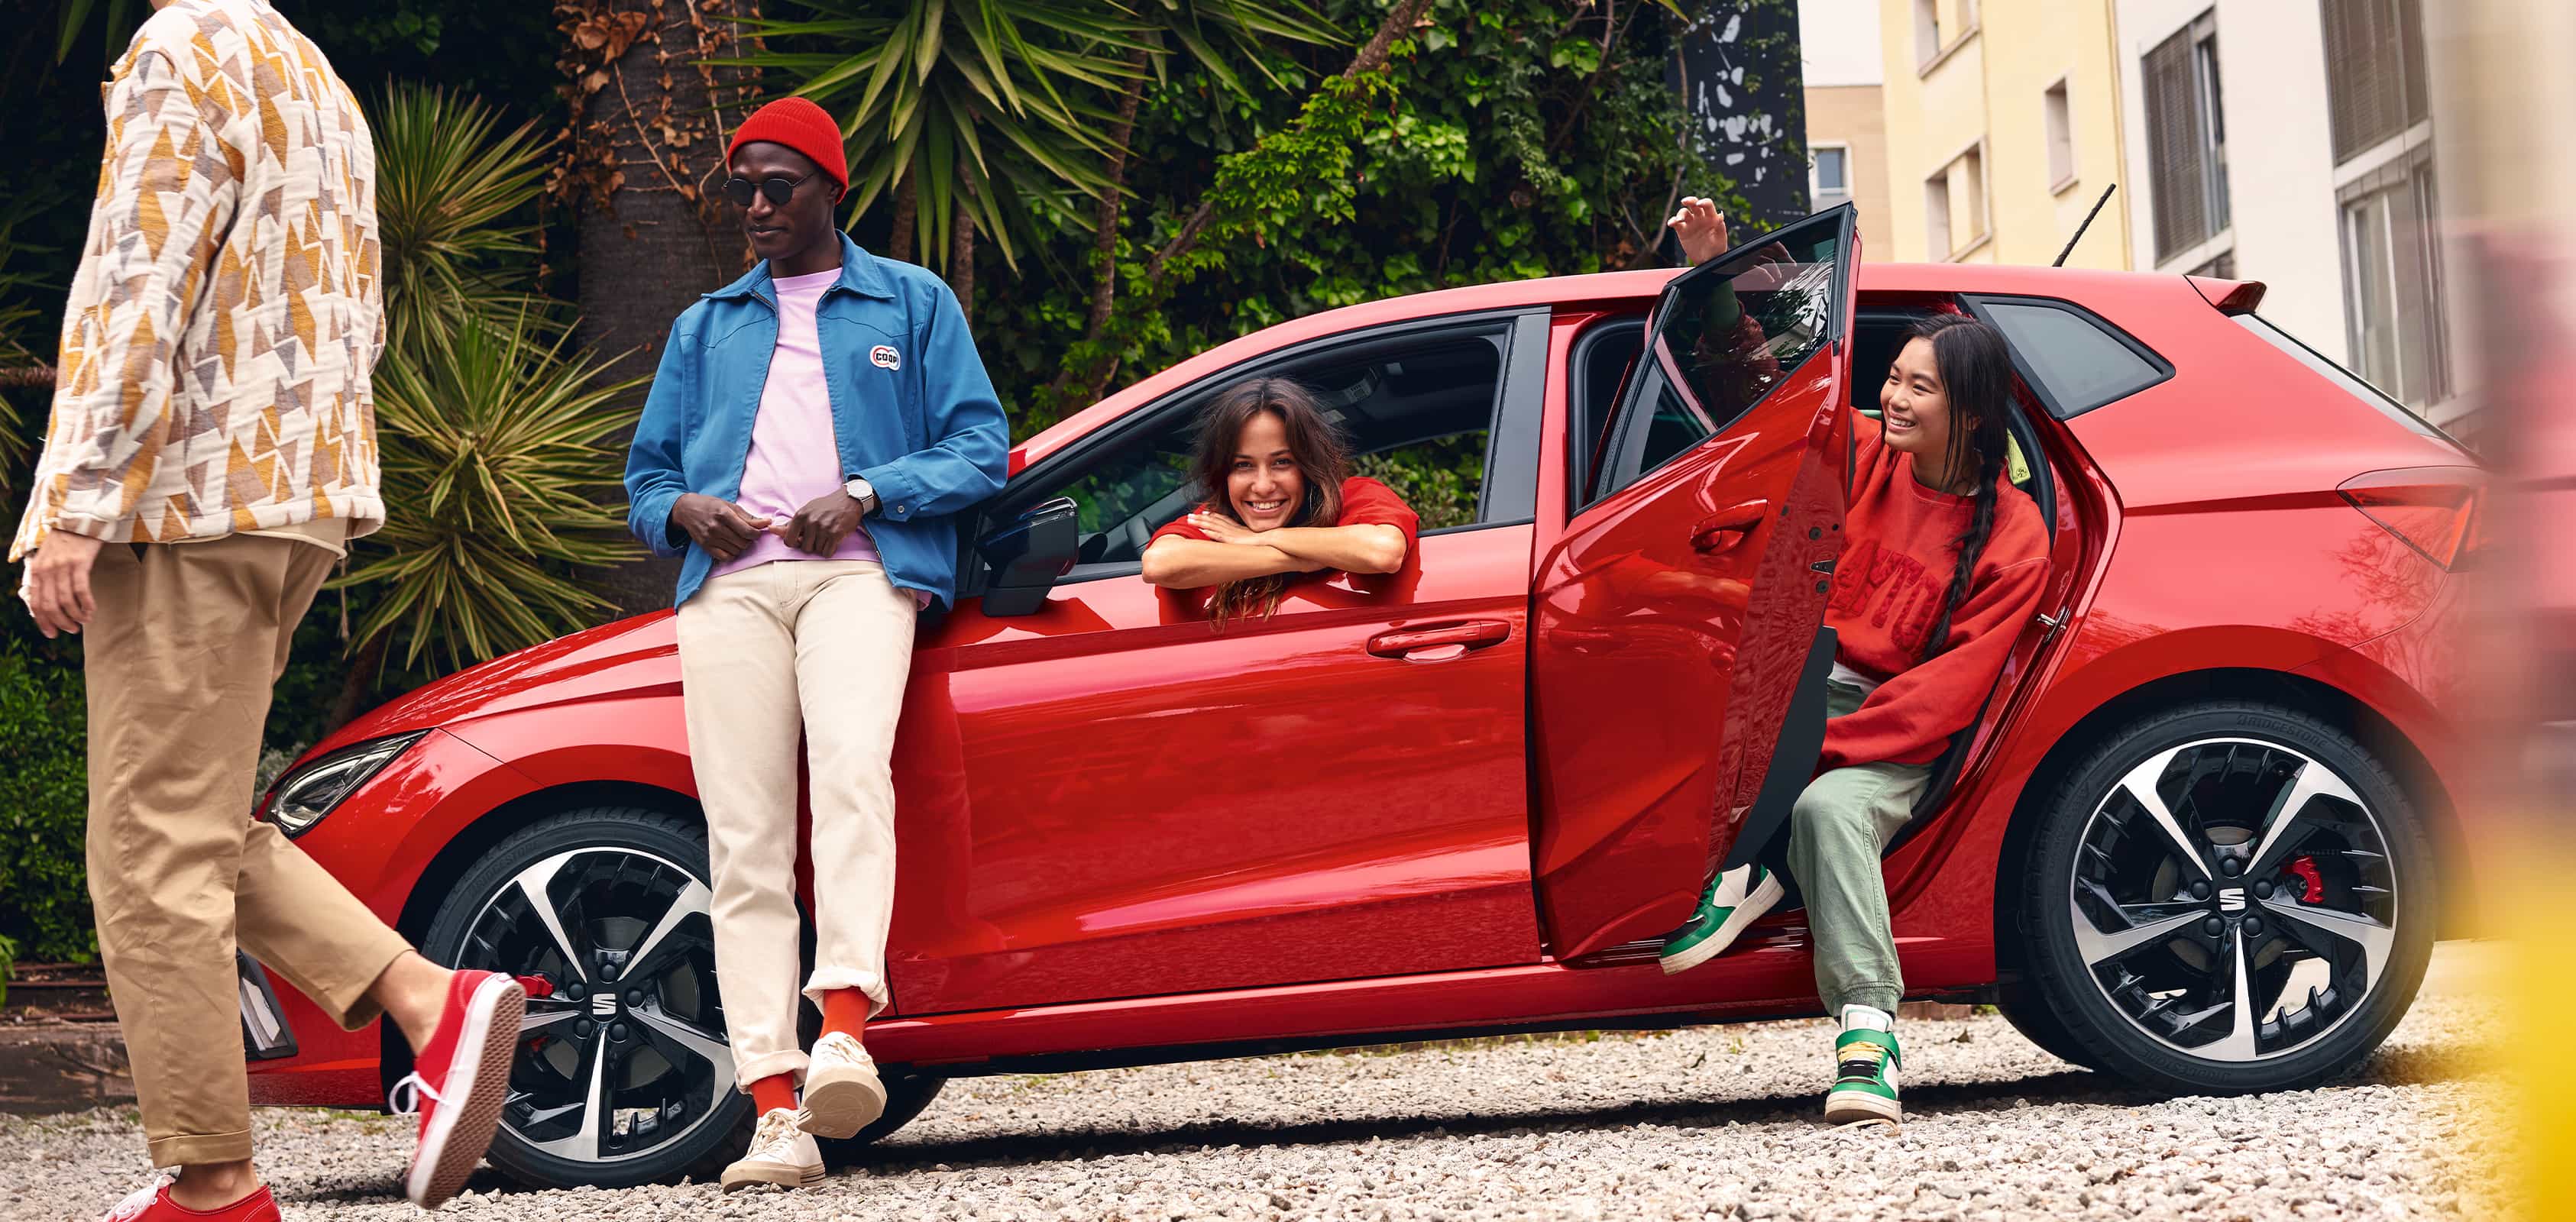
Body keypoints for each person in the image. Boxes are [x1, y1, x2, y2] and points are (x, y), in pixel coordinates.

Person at [13, 1, 527, 1217]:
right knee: (192, 824)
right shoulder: (310, 70)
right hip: (295, 494)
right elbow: (365, 311)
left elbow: (134, 288)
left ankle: (214, 1180)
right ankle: (429, 1003)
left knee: (145, 850)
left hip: (188, 500)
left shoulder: (180, 50)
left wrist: (75, 502)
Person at [621, 96, 1009, 1191]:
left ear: (832, 190)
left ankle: (844, 1024)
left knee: (849, 779)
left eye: (776, 186)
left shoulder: (912, 302)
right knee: (742, 839)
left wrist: (869, 492)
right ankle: (774, 1109)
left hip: (857, 575)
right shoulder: (707, 326)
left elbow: (983, 445)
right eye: (740, 186)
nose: (753, 205)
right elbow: (646, 480)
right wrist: (686, 512)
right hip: (730, 594)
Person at [1651, 199, 2050, 1128]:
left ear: (1972, 411)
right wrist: (1715, 273)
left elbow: (1949, 692)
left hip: (1894, 734)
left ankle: (1868, 1040)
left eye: (1921, 388)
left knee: (1827, 806)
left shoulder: (2013, 535)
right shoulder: (1866, 455)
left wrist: (1811, 755)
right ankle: (1760, 864)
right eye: (1895, 380)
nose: (1895, 399)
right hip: (1805, 699)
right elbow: (1764, 384)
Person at [1139, 377, 1418, 619]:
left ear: (1309, 465)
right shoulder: (1218, 521)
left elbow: (1383, 551)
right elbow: (1161, 564)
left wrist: (1261, 538)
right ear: (1223, 473)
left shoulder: (1354, 495)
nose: (1262, 486)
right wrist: (1300, 560)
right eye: (1243, 465)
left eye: (1282, 462)